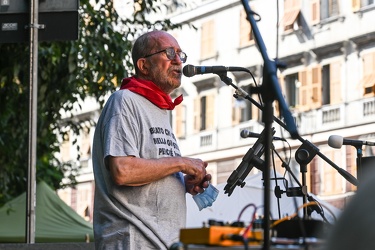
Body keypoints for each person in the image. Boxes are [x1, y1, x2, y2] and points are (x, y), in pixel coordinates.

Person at [92, 30, 211, 250]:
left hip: (161, 241)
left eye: (179, 54)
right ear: (143, 65)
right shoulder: (125, 101)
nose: (178, 61)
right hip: (133, 241)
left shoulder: (159, 109)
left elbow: (151, 169)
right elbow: (123, 170)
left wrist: (181, 183)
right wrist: (182, 163)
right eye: (168, 53)